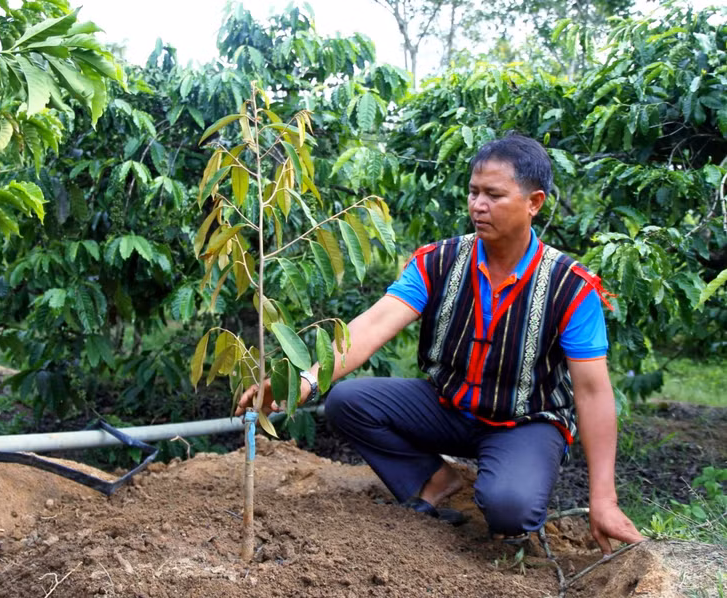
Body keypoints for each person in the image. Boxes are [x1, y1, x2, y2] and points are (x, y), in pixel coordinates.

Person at [236, 133, 644, 554]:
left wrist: (603, 499)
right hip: (447, 407)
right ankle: (435, 479)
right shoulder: (438, 261)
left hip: (524, 421)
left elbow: (592, 392)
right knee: (347, 401)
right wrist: (303, 381)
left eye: (494, 195)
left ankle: (507, 487)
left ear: (534, 202)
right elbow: (373, 325)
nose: (478, 205)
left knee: (509, 510)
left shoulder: (570, 286)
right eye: (473, 192)